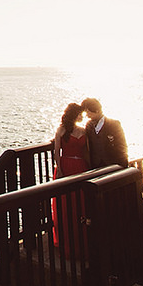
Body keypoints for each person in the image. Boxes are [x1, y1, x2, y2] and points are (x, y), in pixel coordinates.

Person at [51, 102, 89, 254]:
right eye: (80, 114)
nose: (82, 116)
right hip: (66, 166)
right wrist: (59, 170)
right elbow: (56, 152)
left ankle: (82, 239)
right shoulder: (61, 130)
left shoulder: (84, 130)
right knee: (66, 204)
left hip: (81, 166)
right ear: (74, 114)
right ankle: (66, 239)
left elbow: (88, 151)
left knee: (80, 203)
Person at [81, 97, 128, 168]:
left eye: (88, 112)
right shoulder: (89, 126)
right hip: (96, 166)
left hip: (113, 164)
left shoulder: (113, 124)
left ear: (96, 110)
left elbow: (122, 145)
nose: (87, 115)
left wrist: (122, 164)